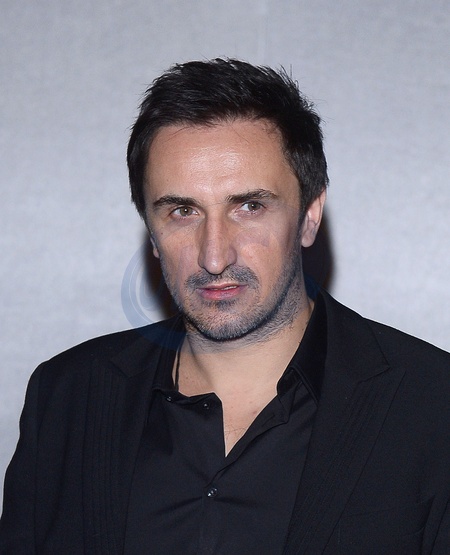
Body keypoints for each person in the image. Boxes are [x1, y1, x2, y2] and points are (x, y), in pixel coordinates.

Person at [0, 58, 449, 555]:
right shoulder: (66, 398)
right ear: (150, 229)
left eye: (249, 207)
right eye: (182, 211)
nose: (214, 256)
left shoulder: (432, 406)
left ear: (309, 215)